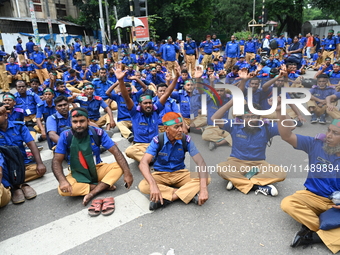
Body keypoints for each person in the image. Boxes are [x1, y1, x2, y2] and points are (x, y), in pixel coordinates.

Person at [277, 101, 340, 254]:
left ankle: (312, 235)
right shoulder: (315, 144)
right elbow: (286, 135)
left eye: (335, 133)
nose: (328, 136)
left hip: (337, 204)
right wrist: (279, 111)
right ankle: (325, 230)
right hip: (312, 196)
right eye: (328, 131)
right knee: (288, 203)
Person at [52, 107, 133, 207]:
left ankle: (92, 192)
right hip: (77, 172)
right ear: (70, 122)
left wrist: (128, 173)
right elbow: (56, 161)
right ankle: (101, 186)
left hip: (97, 168)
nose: (78, 125)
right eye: (75, 122)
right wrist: (62, 181)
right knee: (62, 190)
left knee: (120, 166)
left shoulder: (97, 132)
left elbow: (116, 152)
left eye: (82, 121)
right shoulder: (65, 136)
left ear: (88, 121)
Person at [211, 100, 287, 196]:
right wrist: (231, 103)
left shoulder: (267, 127)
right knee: (221, 167)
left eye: (254, 117)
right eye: (247, 117)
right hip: (236, 162)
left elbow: (289, 126)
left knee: (281, 172)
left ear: (259, 117)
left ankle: (238, 182)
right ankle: (257, 185)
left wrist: (280, 109)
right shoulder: (235, 125)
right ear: (242, 117)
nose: (250, 120)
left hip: (259, 165)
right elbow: (214, 118)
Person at [138, 112, 209, 210]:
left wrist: (204, 189)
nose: (181, 130)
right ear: (166, 129)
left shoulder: (186, 139)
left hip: (180, 173)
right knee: (143, 186)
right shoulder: (158, 140)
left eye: (181, 126)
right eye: (176, 127)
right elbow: (143, 163)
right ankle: (186, 194)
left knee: (206, 179)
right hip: (160, 174)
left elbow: (201, 162)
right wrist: (153, 185)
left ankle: (168, 198)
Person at [116, 63, 180, 162]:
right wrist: (120, 80)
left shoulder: (156, 109)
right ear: (140, 104)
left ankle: (149, 159)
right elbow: (126, 97)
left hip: (155, 143)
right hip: (139, 145)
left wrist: (177, 77)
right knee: (129, 151)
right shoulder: (134, 112)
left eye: (150, 103)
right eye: (145, 103)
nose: (148, 105)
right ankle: (153, 159)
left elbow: (167, 93)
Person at [0, 105, 46, 186]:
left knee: (39, 171)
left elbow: (31, 144)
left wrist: (40, 163)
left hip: (22, 163)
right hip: (5, 167)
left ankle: (13, 182)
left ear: (5, 115)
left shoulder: (19, 126)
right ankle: (17, 181)